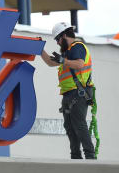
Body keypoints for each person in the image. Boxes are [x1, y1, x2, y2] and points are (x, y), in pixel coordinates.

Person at [41, 21, 96, 159]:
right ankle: (75, 157)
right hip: (70, 94)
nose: (58, 43)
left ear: (64, 35)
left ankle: (90, 157)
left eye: (58, 40)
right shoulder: (68, 52)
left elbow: (79, 64)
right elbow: (50, 62)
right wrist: (39, 49)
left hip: (79, 92)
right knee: (70, 128)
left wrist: (63, 60)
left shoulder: (77, 47)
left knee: (79, 125)